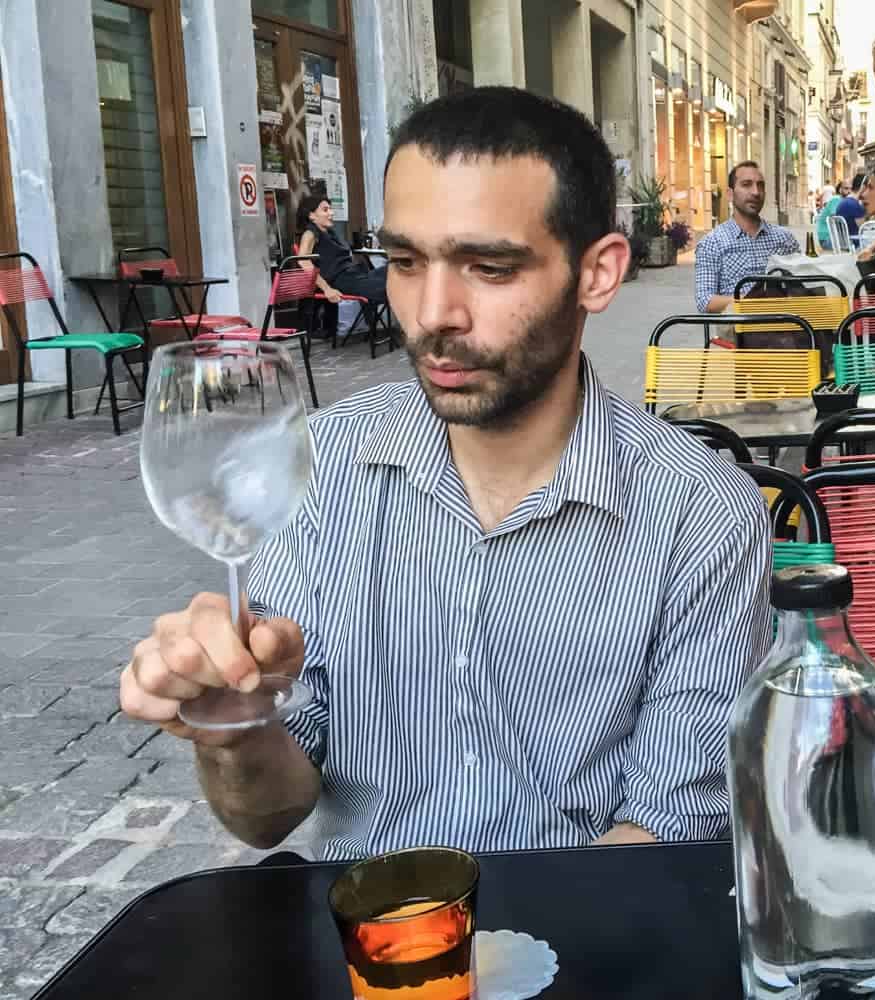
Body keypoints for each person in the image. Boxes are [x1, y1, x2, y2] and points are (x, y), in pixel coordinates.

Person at [119, 86, 773, 860]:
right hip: (364, 938)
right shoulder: (322, 469)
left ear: (597, 274)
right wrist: (238, 730)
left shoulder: (703, 516)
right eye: (403, 261)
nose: (433, 313)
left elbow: (666, 837)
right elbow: (266, 817)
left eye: (489, 267)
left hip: (583, 946)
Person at [693, 161, 799, 312]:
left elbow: (804, 285)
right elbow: (705, 301)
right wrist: (755, 302)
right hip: (737, 330)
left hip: (787, 327)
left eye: (760, 185)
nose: (756, 192)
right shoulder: (712, 243)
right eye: (746, 184)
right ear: (730, 194)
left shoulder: (784, 239)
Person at [295, 196, 387, 306]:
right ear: (311, 215)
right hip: (345, 281)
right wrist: (327, 289)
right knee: (398, 285)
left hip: (357, 275)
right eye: (325, 210)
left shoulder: (330, 233)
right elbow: (303, 261)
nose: (331, 213)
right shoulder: (310, 233)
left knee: (397, 269)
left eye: (330, 209)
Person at [834, 174, 866, 239]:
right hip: (855, 243)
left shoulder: (845, 201)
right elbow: (863, 228)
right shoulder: (854, 204)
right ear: (863, 187)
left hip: (845, 241)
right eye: (870, 187)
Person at [813, 184, 840, 250]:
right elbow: (834, 216)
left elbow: (821, 196)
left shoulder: (825, 188)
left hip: (826, 203)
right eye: (846, 188)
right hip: (828, 238)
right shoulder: (836, 199)